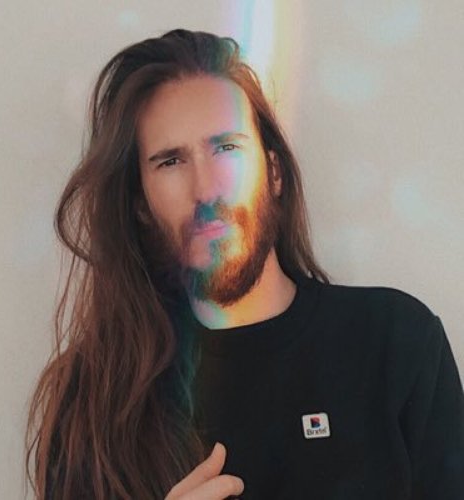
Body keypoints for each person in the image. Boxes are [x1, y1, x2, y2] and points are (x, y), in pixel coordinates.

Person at [25, 28, 464, 499]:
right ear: (140, 206)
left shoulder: (396, 342)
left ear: (273, 172)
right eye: (170, 161)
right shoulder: (94, 401)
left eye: (226, 148)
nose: (206, 189)